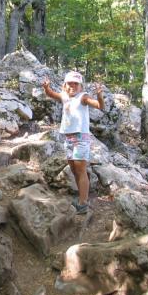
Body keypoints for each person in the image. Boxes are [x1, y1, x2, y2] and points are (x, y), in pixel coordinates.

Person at [42, 71, 105, 214]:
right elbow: (52, 94)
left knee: (81, 170)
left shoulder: (83, 97)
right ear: (65, 85)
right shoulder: (64, 97)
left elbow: (99, 106)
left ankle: (83, 203)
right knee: (74, 170)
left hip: (81, 138)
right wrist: (46, 88)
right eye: (70, 83)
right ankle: (81, 197)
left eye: (76, 83)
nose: (73, 86)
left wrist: (100, 96)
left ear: (80, 86)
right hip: (68, 139)